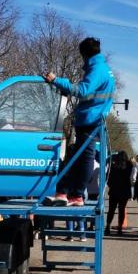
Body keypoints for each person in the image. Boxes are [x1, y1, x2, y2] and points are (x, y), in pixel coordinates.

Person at [44, 37, 115, 206]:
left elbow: (82, 91)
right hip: (93, 120)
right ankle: (66, 193)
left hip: (90, 120)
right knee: (78, 159)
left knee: (84, 159)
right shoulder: (103, 68)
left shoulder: (97, 69)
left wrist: (57, 80)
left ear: (84, 54)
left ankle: (74, 195)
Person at [106, 151, 133, 236]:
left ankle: (107, 226)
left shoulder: (113, 166)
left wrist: (111, 185)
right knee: (122, 210)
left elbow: (108, 179)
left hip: (114, 191)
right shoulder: (129, 166)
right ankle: (120, 228)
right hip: (124, 191)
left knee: (111, 210)